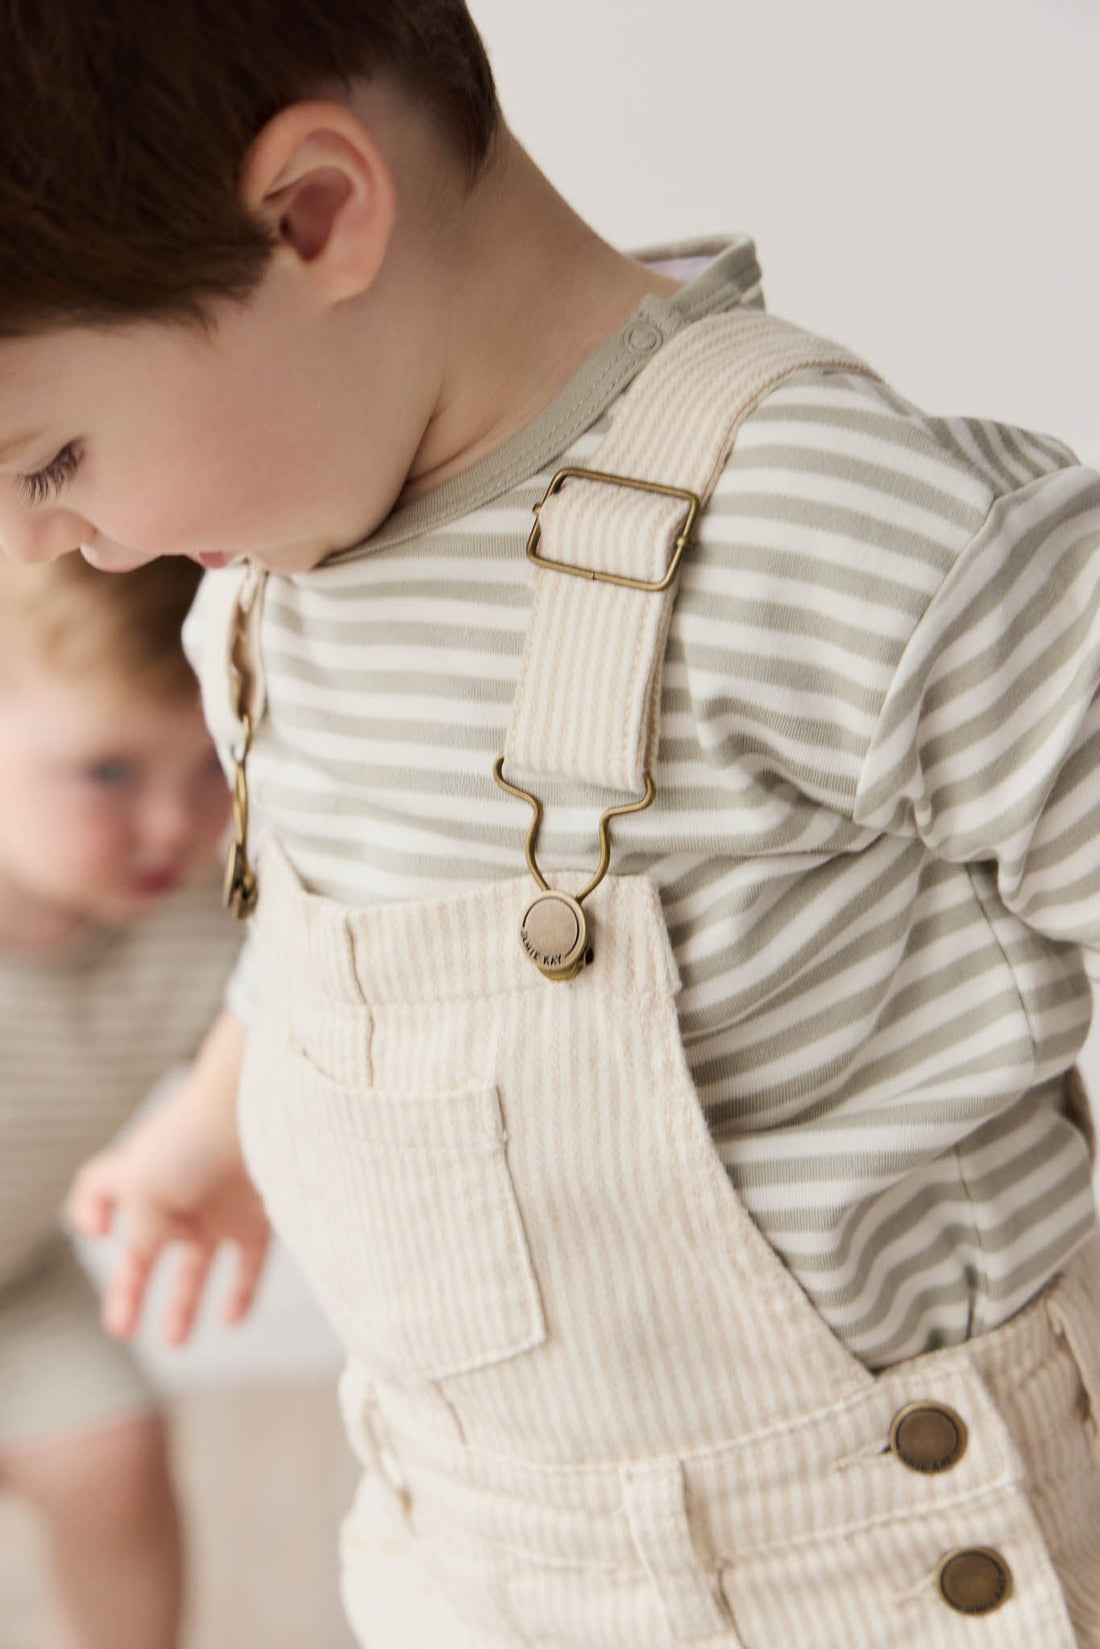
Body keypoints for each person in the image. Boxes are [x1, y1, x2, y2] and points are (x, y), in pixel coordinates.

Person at [0, 2, 1098, 1643]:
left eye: (53, 459)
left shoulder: (826, 532)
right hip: (476, 1546)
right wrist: (232, 1114)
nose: (50, 547)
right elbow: (337, 922)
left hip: (876, 1562)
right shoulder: (266, 589)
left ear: (313, 215)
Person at [0, 553, 258, 1649]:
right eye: (107, 771)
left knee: (115, 1454)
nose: (168, 821)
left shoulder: (205, 922)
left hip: (16, 1286)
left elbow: (291, 1031)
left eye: (209, 765)